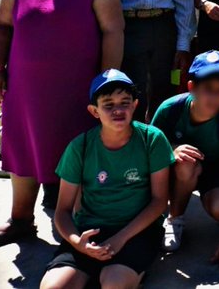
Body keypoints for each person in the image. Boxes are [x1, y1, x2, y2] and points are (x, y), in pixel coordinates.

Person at [0, 0, 124, 250]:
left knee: (78, 155)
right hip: (26, 89)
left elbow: (113, 32)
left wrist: (106, 85)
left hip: (77, 90)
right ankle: (21, 221)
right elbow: (1, 25)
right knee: (24, 152)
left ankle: (77, 226)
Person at [41, 70, 174, 289]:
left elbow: (159, 201)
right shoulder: (80, 147)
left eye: (125, 102)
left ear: (135, 105)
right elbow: (63, 211)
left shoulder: (152, 139)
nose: (118, 110)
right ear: (94, 111)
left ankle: (128, 272)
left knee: (113, 284)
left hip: (136, 231)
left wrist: (120, 238)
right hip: (89, 232)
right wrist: (78, 242)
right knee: (53, 287)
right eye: (108, 105)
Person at [150, 50, 219, 268]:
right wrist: (171, 151)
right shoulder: (169, 110)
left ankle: (210, 201)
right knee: (186, 163)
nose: (216, 97)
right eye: (208, 89)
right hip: (179, 170)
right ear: (191, 87)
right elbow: (147, 154)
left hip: (215, 171)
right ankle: (174, 218)